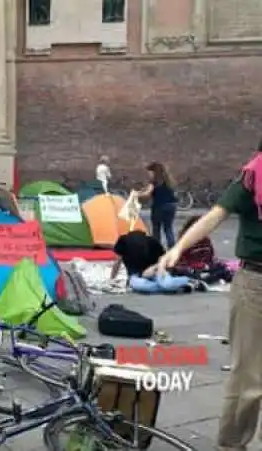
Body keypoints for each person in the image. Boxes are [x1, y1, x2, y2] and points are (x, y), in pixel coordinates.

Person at [157, 141, 262, 450]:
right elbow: (215, 215)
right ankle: (232, 445)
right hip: (256, 282)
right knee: (249, 379)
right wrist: (178, 247)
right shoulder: (252, 177)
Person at [110, 230, 193, 294]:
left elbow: (164, 259)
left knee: (149, 285)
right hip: (139, 275)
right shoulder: (125, 242)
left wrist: (156, 268)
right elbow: (117, 262)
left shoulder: (151, 242)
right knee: (160, 284)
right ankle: (180, 284)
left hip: (154, 270)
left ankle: (187, 281)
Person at [171, 216, 232, 284]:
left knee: (222, 268)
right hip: (192, 269)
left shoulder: (206, 240)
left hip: (206, 268)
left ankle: (208, 278)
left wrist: (209, 264)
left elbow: (210, 256)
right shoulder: (184, 241)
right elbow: (182, 262)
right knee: (185, 272)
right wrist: (200, 266)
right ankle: (205, 279)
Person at [136, 161, 178, 248]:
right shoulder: (168, 181)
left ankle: (156, 250)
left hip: (159, 207)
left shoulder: (154, 182)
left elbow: (147, 193)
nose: (148, 175)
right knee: (168, 228)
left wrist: (136, 195)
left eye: (149, 172)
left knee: (156, 229)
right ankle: (172, 248)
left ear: (154, 172)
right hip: (171, 206)